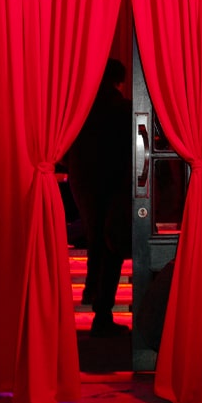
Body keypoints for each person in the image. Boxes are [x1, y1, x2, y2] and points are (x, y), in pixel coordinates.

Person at [68, 57, 132, 337]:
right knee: (111, 246)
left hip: (84, 181)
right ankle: (101, 308)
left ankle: (93, 295)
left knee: (96, 240)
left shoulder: (82, 110)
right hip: (113, 183)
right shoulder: (122, 109)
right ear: (119, 81)